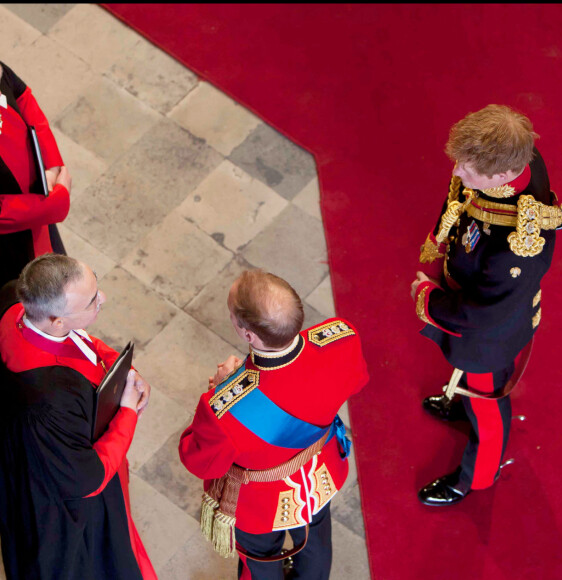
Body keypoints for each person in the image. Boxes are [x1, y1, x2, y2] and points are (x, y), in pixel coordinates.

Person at [411, 104, 562, 506]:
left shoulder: (517, 249)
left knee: (489, 404)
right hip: (478, 297)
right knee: (471, 387)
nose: (457, 172)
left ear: (501, 175)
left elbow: (483, 312)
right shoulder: (518, 156)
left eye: (468, 168)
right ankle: (460, 401)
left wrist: (430, 297)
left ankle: (476, 477)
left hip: (490, 335)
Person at [179, 269, 369, 579]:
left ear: (248, 335)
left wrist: (224, 389)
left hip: (262, 503)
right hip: (319, 473)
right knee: (317, 537)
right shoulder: (342, 337)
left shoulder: (224, 410)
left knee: (261, 560)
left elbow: (197, 459)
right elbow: (358, 379)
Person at [0, 254, 157, 579]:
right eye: (91, 301)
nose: (103, 299)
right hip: (62, 490)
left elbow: (83, 343)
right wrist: (127, 410)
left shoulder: (13, 300)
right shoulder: (52, 400)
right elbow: (89, 479)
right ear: (57, 321)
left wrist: (116, 362)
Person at [0, 61, 71, 288]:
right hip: (9, 245)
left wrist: (51, 168)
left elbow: (22, 95)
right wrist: (49, 205)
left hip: (38, 212)